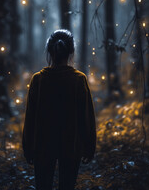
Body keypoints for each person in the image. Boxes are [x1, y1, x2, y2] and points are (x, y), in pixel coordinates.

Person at [22, 30, 96, 190]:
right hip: (71, 145)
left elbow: (30, 118)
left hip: (43, 145)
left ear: (49, 51)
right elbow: (86, 117)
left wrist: (28, 147)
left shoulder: (38, 80)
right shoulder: (79, 80)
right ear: (71, 52)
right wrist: (89, 146)